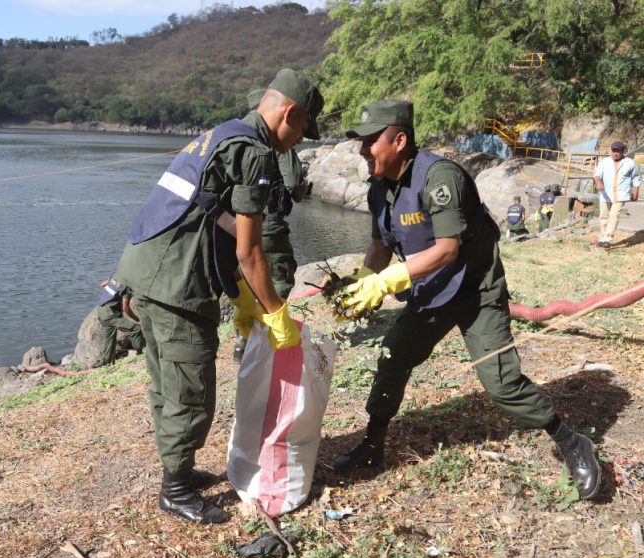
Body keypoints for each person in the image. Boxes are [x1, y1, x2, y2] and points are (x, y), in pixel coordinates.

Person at [330, 99, 600, 501]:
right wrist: (368, 278)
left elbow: (446, 249)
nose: (362, 151)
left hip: (475, 290)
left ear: (399, 140)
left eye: (371, 142)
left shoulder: (440, 177)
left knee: (501, 383)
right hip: (432, 290)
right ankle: (372, 445)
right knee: (394, 355)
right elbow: (379, 243)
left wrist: (388, 282)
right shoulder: (379, 188)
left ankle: (571, 440)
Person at [114, 68, 324, 524]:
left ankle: (180, 469)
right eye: (303, 131)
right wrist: (274, 311)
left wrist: (244, 297)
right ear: (290, 113)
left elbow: (214, 219)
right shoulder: (253, 152)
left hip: (145, 271)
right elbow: (251, 249)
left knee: (168, 383)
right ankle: (174, 489)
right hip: (174, 285)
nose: (299, 143)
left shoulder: (221, 135)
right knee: (192, 392)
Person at [233, 89, 309, 361]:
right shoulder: (279, 145)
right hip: (269, 222)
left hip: (238, 223)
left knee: (247, 279)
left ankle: (243, 340)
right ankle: (265, 339)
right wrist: (303, 184)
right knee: (279, 275)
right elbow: (294, 185)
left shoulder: (239, 139)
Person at [593, 141, 641, 248]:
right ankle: (603, 237)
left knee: (614, 215)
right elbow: (597, 175)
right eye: (613, 151)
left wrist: (636, 191)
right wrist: (599, 183)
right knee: (604, 216)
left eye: (618, 151)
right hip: (605, 193)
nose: (615, 153)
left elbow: (636, 178)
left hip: (621, 194)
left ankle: (607, 238)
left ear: (623, 151)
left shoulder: (630, 163)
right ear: (611, 151)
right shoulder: (604, 162)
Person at [95, 278, 145, 368]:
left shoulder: (116, 277)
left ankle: (106, 366)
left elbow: (103, 284)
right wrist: (137, 319)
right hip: (110, 314)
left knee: (109, 341)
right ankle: (140, 356)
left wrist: (112, 296)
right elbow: (126, 307)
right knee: (136, 329)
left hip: (101, 311)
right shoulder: (128, 287)